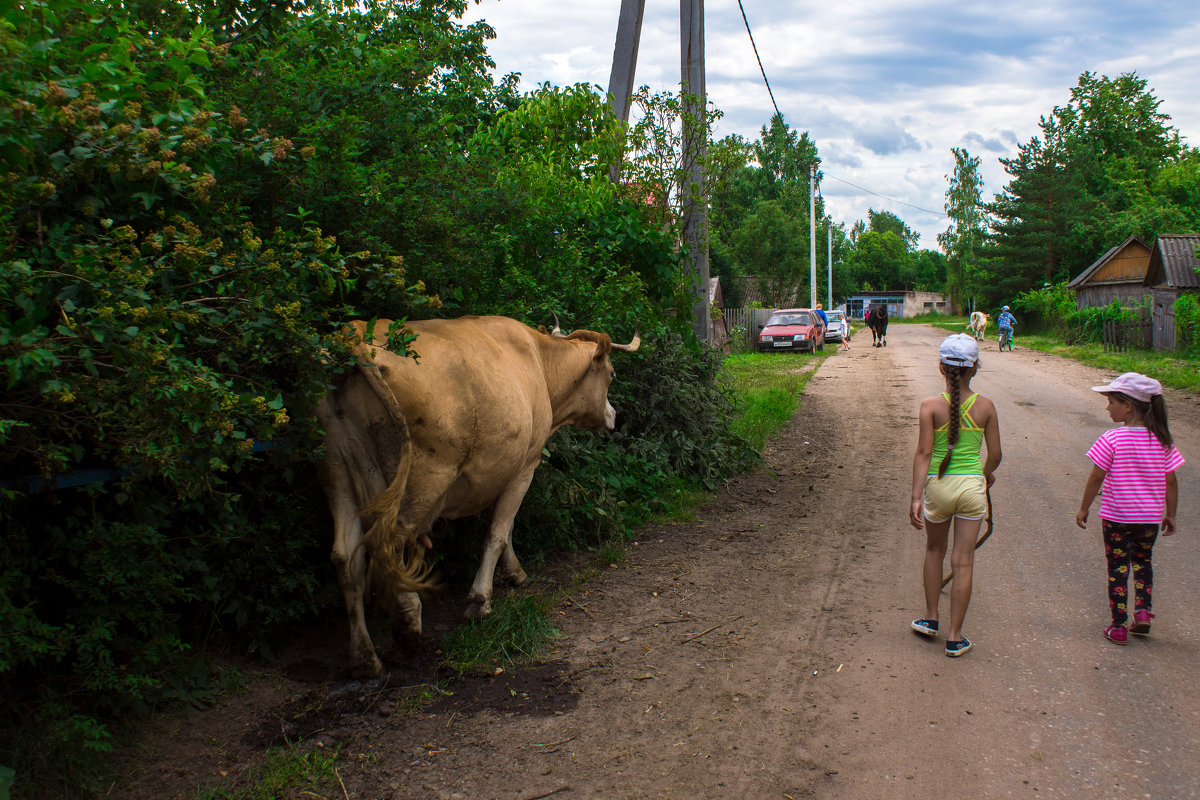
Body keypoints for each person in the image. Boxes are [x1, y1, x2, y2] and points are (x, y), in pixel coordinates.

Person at [909, 334, 1002, 657]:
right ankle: (954, 636)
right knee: (963, 562)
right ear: (974, 369)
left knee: (934, 550)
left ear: (940, 367)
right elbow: (996, 455)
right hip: (971, 488)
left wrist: (916, 497)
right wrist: (985, 475)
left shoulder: (930, 406)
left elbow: (923, 453)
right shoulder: (986, 407)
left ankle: (931, 619)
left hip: (939, 485)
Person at [1075, 373, 1184, 645]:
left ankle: (1119, 626)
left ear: (1128, 406)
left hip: (1117, 517)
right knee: (1143, 562)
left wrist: (1084, 508)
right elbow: (1170, 480)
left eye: (1111, 402)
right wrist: (1170, 513)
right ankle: (1143, 611)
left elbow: (1096, 477)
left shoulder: (1113, 438)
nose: (1107, 407)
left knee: (1118, 569)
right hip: (1148, 519)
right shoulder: (1161, 440)